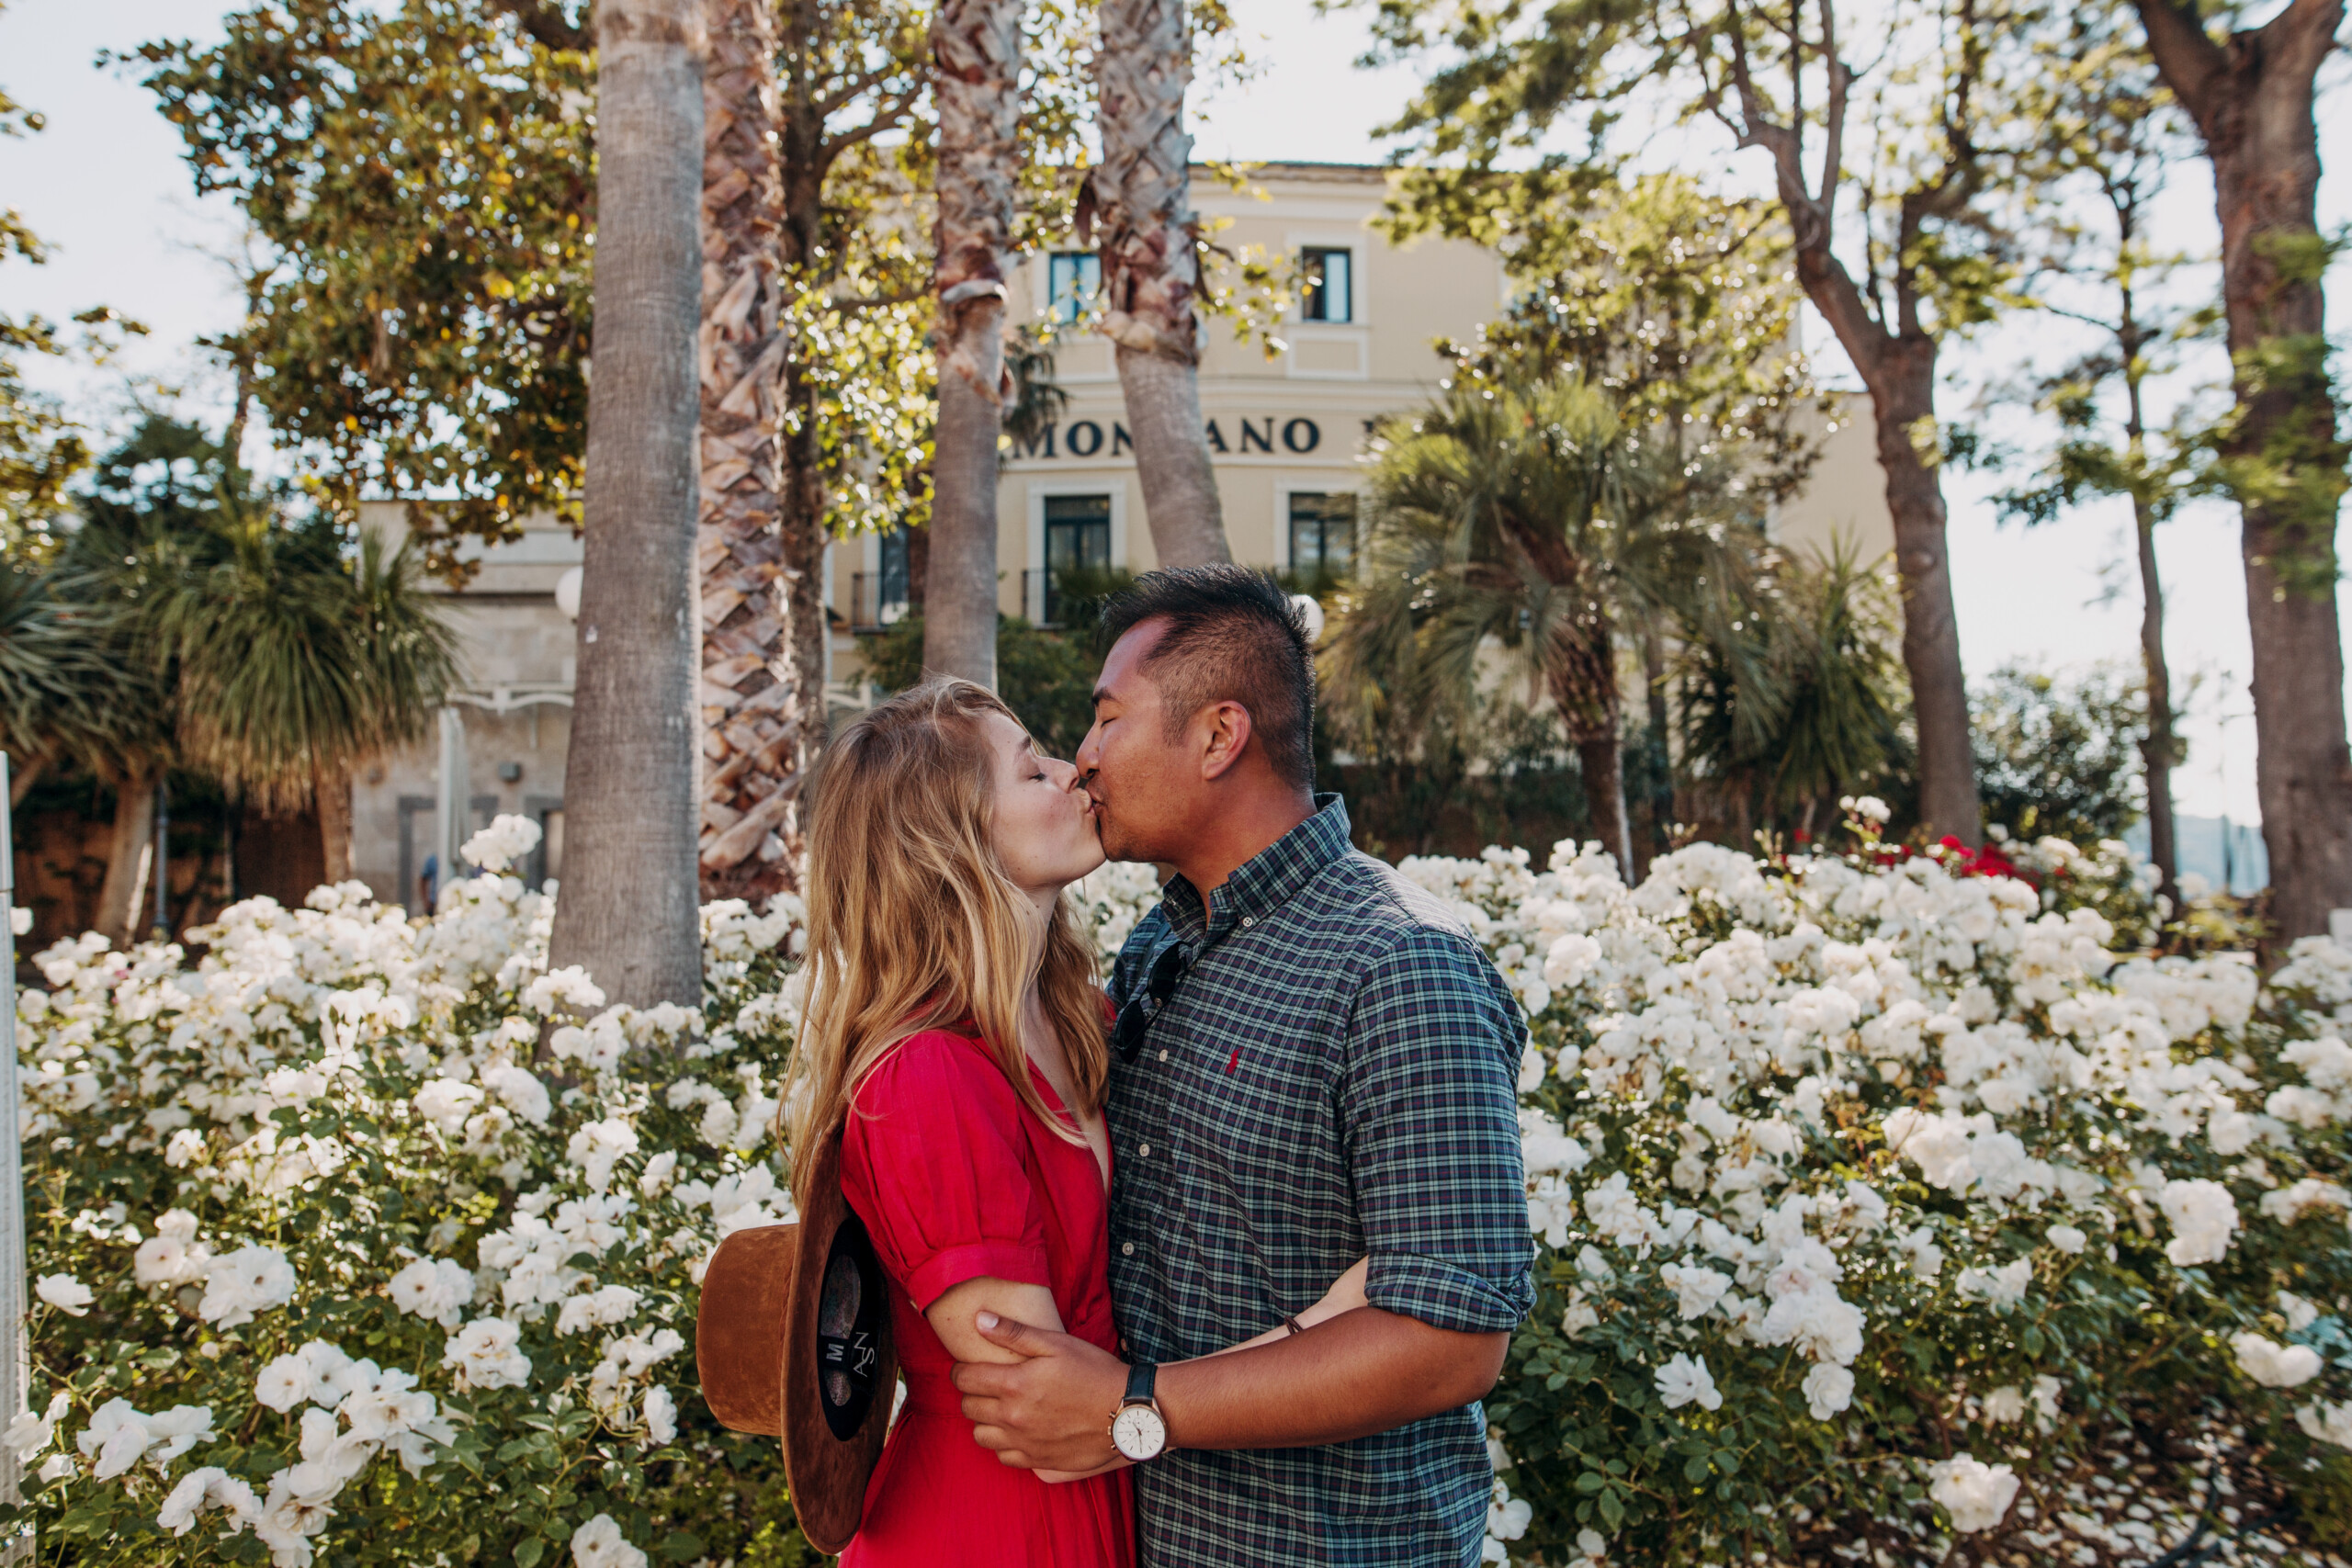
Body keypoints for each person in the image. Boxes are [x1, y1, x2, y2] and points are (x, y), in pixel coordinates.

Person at [951, 567, 1536, 1566]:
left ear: (1220, 736)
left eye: (1107, 719)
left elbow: (1450, 1339)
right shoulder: (1159, 945)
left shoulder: (1398, 963)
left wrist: (1134, 1408)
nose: (1083, 760)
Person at [784, 678, 1369, 1568]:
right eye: (1031, 770)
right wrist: (1332, 1316)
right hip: (994, 1522)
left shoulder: (1082, 1020)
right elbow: (1037, 1397)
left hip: (1108, 1500)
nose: (1075, 770)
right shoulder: (925, 1076)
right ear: (951, 840)